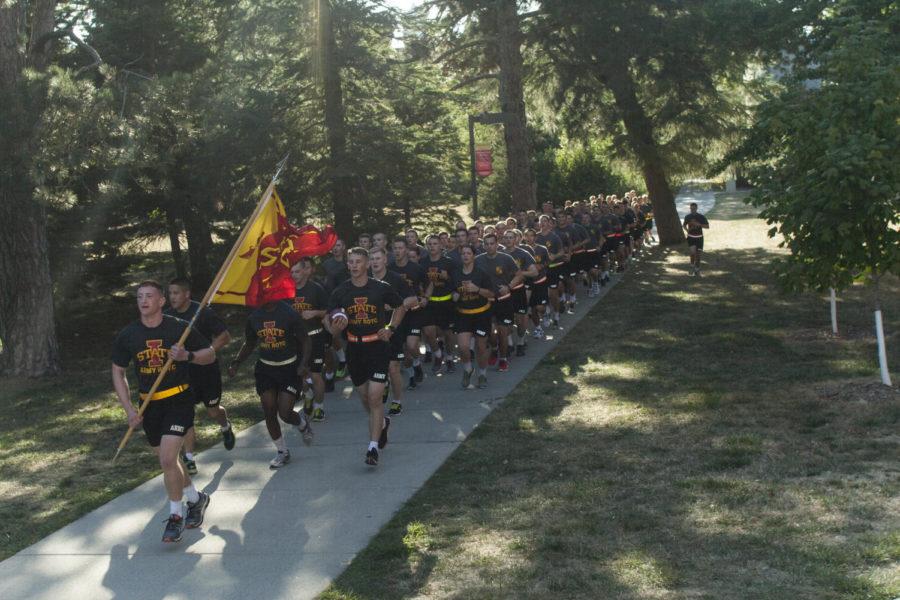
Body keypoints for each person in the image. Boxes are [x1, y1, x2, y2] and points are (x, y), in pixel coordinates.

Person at [112, 280, 215, 543]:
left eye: (149, 296)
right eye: (139, 297)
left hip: (179, 399)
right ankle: (196, 499)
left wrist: (186, 357)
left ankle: (175, 517)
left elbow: (210, 354)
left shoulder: (178, 329)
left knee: (168, 460)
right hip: (150, 405)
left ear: (161, 301)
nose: (143, 300)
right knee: (171, 463)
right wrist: (128, 409)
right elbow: (118, 371)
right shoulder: (128, 335)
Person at [327, 247, 419, 466]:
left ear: (367, 264)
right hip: (355, 350)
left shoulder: (380, 288)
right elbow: (330, 317)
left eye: (359, 261)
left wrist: (391, 327)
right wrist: (335, 327)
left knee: (376, 396)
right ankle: (382, 423)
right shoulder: (340, 291)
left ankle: (372, 448)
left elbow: (400, 306)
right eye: (351, 262)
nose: (354, 265)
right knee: (365, 398)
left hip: (377, 347)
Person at [227, 299, 313, 469]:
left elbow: (306, 340)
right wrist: (237, 362)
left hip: (289, 368)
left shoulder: (289, 314)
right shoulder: (254, 317)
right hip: (266, 369)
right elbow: (250, 342)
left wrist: (303, 364)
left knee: (285, 413)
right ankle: (282, 451)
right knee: (269, 409)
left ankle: (302, 424)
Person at [164, 278, 235, 475]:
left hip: (207, 370)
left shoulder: (202, 312)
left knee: (213, 410)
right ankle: (189, 458)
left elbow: (225, 336)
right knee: (186, 414)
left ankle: (225, 425)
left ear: (187, 294)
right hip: (184, 373)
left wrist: (209, 352)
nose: (172, 297)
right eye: (170, 293)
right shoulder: (167, 317)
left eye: (176, 293)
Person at [369, 246, 412, 415]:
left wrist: (395, 305)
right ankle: (383, 385)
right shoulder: (364, 280)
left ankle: (397, 401)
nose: (375, 262)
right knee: (375, 366)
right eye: (372, 259)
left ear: (385, 260)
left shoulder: (396, 279)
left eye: (378, 258)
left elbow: (412, 299)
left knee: (393, 367)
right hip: (371, 329)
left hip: (393, 327)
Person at [475, 233, 522, 372]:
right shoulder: (477, 260)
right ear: (483, 245)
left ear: (497, 244)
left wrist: (509, 286)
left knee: (502, 333)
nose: (489, 246)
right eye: (486, 244)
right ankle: (494, 349)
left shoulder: (506, 258)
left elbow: (519, 275)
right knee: (491, 333)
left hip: (504, 301)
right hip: (486, 303)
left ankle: (503, 359)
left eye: (492, 243)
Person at [290, 258, 330, 421]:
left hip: (315, 336)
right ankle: (308, 394)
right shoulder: (287, 291)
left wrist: (314, 313)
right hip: (295, 339)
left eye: (297, 271)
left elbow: (328, 311)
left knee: (315, 374)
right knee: (298, 372)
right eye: (291, 272)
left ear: (305, 271)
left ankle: (319, 407)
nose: (294, 275)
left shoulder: (316, 289)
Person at [451, 245, 494, 389]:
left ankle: (482, 374)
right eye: (463, 253)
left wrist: (478, 289)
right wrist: (454, 296)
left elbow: (492, 294)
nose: (465, 256)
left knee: (481, 348)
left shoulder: (481, 273)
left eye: (468, 253)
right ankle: (468, 369)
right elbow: (452, 291)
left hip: (481, 313)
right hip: (463, 314)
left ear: (473, 256)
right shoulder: (456, 273)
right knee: (463, 347)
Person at [389, 237, 428, 389]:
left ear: (406, 249)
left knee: (412, 346)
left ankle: (417, 363)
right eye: (395, 248)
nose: (398, 251)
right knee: (403, 351)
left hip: (414, 312)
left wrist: (425, 297)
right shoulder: (390, 269)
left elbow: (428, 284)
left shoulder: (416, 268)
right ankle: (412, 375)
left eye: (400, 248)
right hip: (398, 313)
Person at [420, 234, 457, 375]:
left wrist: (447, 277)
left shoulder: (448, 262)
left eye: (435, 244)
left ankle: (449, 358)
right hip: (429, 303)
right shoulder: (422, 263)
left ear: (441, 246)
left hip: (446, 302)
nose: (432, 246)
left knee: (448, 334)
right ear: (426, 246)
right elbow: (419, 282)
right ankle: (437, 354)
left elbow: (456, 281)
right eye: (430, 244)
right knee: (429, 332)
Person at [501, 229, 538, 356]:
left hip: (518, 291)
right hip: (504, 293)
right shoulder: (499, 254)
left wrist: (520, 273)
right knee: (506, 322)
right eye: (506, 238)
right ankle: (510, 343)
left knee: (521, 322)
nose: (508, 240)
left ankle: (521, 341)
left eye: (511, 237)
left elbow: (534, 272)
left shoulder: (523, 253)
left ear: (516, 239)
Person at [683, 202, 710, 276]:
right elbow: (684, 225)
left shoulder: (701, 217)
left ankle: (697, 269)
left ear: (696, 208)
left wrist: (699, 224)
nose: (692, 210)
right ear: (690, 209)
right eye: (691, 209)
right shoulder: (687, 216)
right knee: (692, 253)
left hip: (699, 238)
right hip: (691, 237)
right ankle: (692, 266)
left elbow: (707, 226)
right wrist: (687, 230)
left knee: (698, 255)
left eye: (694, 209)